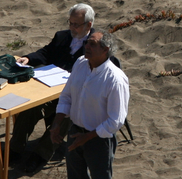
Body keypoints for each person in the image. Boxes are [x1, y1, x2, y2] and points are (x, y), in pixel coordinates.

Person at [9, 3, 95, 170]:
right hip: (50, 90)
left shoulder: (97, 44)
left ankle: (40, 155)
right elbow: (46, 52)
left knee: (66, 116)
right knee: (29, 108)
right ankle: (14, 150)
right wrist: (28, 58)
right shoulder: (62, 36)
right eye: (70, 23)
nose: (72, 28)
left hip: (78, 97)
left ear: (89, 25)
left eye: (76, 25)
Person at [51, 31, 129, 179]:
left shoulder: (115, 79)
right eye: (87, 42)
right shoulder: (80, 63)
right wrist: (57, 123)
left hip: (99, 139)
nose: (86, 46)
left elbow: (116, 121)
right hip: (75, 132)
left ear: (105, 49)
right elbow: (67, 96)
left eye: (92, 44)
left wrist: (87, 137)